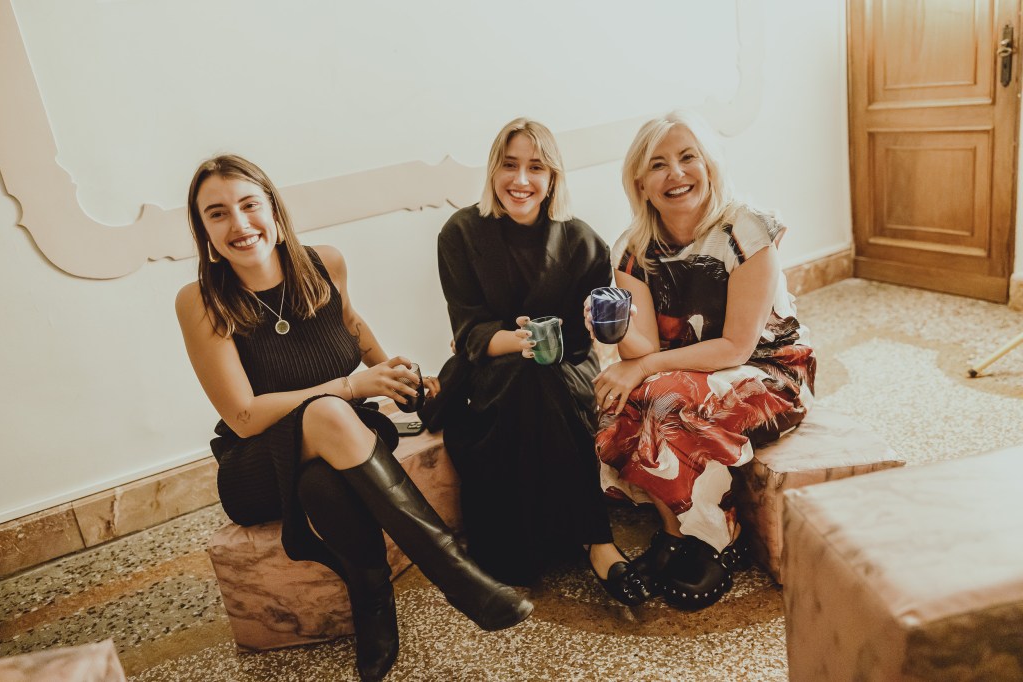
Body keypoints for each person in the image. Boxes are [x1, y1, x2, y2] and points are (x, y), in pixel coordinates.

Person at [175, 155, 532, 682]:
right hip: (256, 461)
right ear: (204, 230)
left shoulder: (324, 263)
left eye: (249, 205)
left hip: (344, 434)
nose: (240, 224)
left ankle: (373, 607)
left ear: (273, 208)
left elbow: (350, 322)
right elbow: (246, 416)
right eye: (218, 214)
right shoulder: (201, 301)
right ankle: (460, 578)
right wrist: (349, 387)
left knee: (324, 483)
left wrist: (387, 370)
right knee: (329, 411)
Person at [588, 111, 816, 611]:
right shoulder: (632, 249)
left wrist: (644, 369)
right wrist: (615, 328)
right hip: (686, 369)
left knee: (664, 399)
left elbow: (736, 347)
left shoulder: (746, 228)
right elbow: (644, 350)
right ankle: (676, 530)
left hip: (769, 369)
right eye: (658, 164)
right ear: (640, 183)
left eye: (688, 157)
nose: (676, 173)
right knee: (619, 401)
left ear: (709, 166)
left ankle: (719, 537)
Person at [421, 119, 651, 606]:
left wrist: (597, 325)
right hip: (490, 374)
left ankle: (580, 543)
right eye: (509, 165)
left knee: (542, 378)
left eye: (535, 168)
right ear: (492, 170)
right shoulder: (460, 234)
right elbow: (468, 332)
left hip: (566, 370)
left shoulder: (582, 241)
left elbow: (585, 342)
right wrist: (519, 341)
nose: (520, 180)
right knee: (528, 376)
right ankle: (597, 540)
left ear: (552, 179)